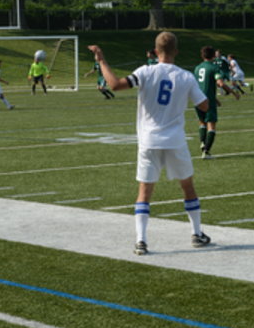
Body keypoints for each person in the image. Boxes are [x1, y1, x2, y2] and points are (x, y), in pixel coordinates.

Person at [88, 32, 211, 255]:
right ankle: (196, 233)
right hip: (175, 140)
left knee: (144, 191)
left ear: (155, 51)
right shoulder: (185, 76)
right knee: (187, 187)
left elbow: (115, 85)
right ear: (176, 51)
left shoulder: (145, 71)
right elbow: (204, 105)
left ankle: (141, 241)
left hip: (148, 140)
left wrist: (102, 61)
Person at [195, 46, 239, 159]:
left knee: (202, 123)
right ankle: (206, 152)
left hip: (198, 99)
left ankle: (202, 143)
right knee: (211, 125)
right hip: (208, 101)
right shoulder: (214, 68)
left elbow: (201, 86)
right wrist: (233, 92)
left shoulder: (197, 68)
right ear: (214, 56)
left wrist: (215, 99)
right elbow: (220, 83)